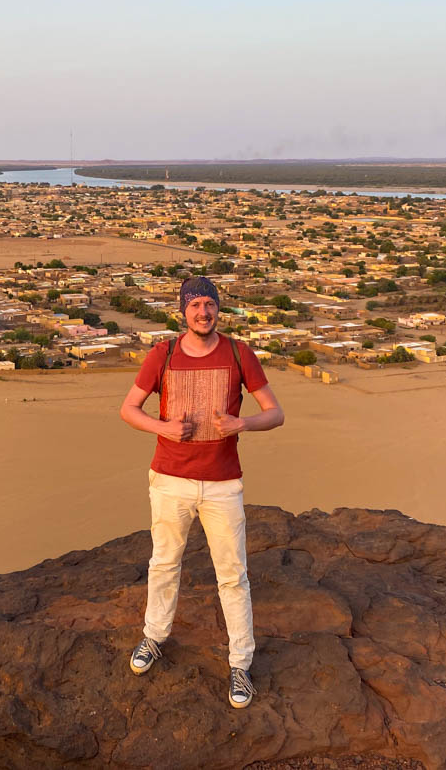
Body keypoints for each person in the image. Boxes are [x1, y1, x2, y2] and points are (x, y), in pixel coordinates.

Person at [119, 276, 285, 709]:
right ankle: (153, 637)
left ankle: (240, 664)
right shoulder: (163, 354)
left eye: (209, 305)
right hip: (170, 479)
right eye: (195, 306)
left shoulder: (238, 353)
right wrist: (164, 428)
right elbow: (128, 409)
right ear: (183, 311)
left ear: (218, 310)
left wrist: (241, 423)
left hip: (223, 483)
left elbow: (275, 413)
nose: (203, 313)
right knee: (164, 563)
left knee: (232, 574)